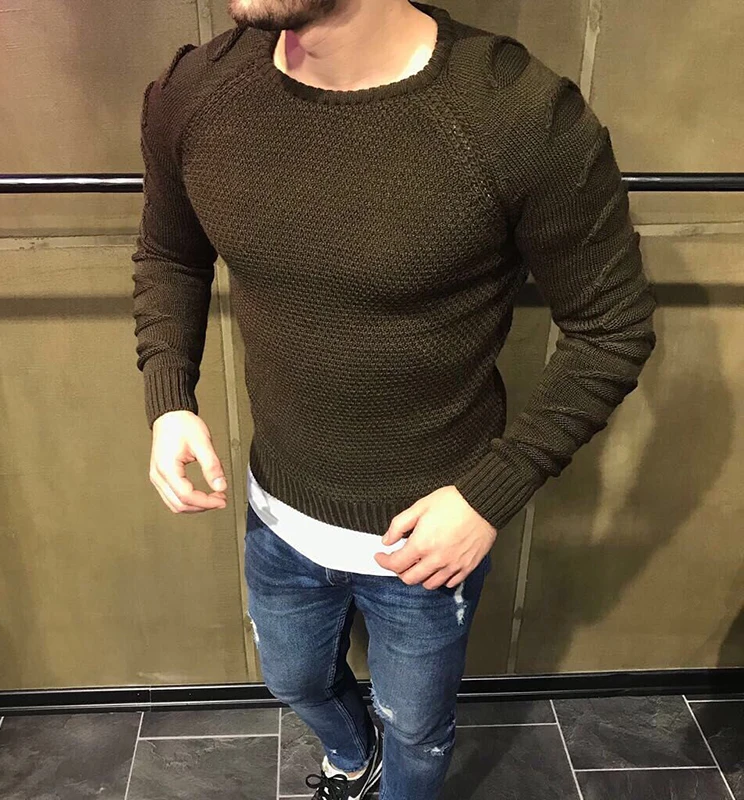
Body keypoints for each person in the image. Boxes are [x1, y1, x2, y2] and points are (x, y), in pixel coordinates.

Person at [131, 1, 658, 797]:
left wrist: (490, 494)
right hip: (278, 512)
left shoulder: (517, 117)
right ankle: (353, 760)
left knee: (417, 726)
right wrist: (170, 391)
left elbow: (612, 328)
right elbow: (171, 252)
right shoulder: (196, 93)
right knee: (294, 680)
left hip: (427, 539)